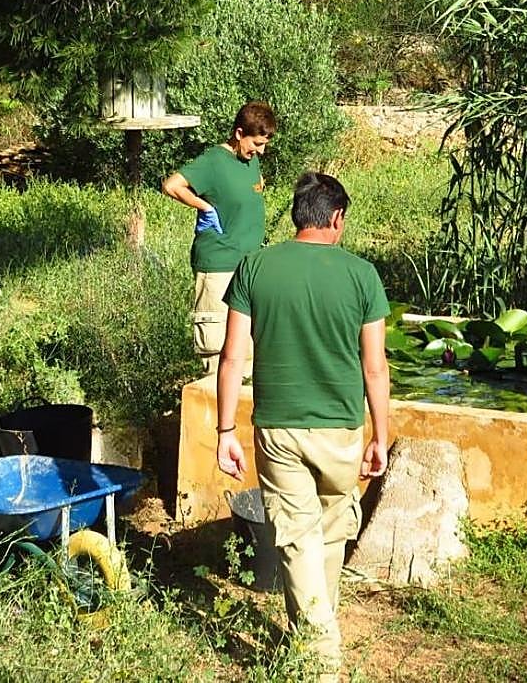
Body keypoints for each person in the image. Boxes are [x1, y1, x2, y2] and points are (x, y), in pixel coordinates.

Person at [215, 171, 390, 680]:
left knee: (298, 536)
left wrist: (225, 431)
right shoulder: (362, 275)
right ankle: (319, 654)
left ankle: (313, 644)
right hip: (342, 429)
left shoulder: (255, 267)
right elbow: (375, 368)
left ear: (298, 216)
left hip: (279, 428)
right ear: (337, 219)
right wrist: (380, 435)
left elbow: (232, 357)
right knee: (331, 529)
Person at [162, 101, 277, 374]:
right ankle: (215, 405)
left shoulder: (251, 160)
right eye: (256, 143)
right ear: (239, 133)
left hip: (248, 265)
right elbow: (171, 185)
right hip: (218, 268)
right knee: (218, 346)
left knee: (247, 345)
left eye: (264, 145)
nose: (260, 150)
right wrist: (204, 206)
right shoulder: (213, 161)